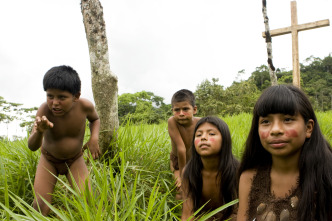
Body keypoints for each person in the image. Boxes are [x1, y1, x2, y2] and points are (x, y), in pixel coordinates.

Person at [237, 85, 332, 221]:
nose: (275, 130)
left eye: (287, 119)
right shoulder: (249, 178)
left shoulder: (327, 176)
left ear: (308, 128)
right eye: (266, 121)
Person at [28, 65, 101, 216]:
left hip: (74, 160)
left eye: (62, 97)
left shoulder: (85, 106)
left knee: (89, 202)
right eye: (50, 96)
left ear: (76, 96)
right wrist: (39, 132)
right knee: (40, 206)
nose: (55, 103)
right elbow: (32, 146)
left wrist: (94, 138)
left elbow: (95, 119)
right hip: (49, 160)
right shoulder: (44, 111)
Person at [181, 116, 239, 220]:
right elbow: (187, 214)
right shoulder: (189, 172)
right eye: (198, 135)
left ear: (224, 140)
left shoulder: (238, 171)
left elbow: (244, 212)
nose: (203, 137)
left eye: (211, 134)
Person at [168, 89, 200, 199]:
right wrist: (182, 177)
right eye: (177, 110)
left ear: (194, 109)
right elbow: (181, 149)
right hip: (178, 162)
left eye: (185, 109)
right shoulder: (172, 121)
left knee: (198, 186)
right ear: (172, 111)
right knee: (180, 190)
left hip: (195, 161)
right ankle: (179, 213)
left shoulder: (200, 123)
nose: (181, 113)